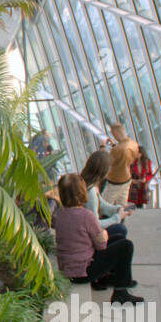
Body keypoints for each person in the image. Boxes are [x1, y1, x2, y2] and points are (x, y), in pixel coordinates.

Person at [52, 173, 141, 303]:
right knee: (125, 246)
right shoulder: (86, 216)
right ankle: (121, 292)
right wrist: (104, 234)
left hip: (67, 268)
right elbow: (101, 245)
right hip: (83, 271)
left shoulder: (59, 214)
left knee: (117, 239)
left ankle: (112, 279)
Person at [80, 149, 130, 242]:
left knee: (118, 224)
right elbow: (95, 225)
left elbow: (102, 206)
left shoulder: (88, 185)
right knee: (121, 229)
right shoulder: (90, 192)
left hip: (86, 230)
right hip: (90, 235)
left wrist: (118, 210)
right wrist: (118, 217)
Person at [104, 122, 139, 208]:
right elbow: (124, 157)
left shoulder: (117, 150)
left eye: (113, 134)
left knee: (105, 204)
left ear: (116, 133)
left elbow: (108, 162)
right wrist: (114, 145)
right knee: (122, 204)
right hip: (126, 178)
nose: (114, 136)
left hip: (115, 181)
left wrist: (103, 147)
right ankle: (121, 218)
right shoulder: (134, 144)